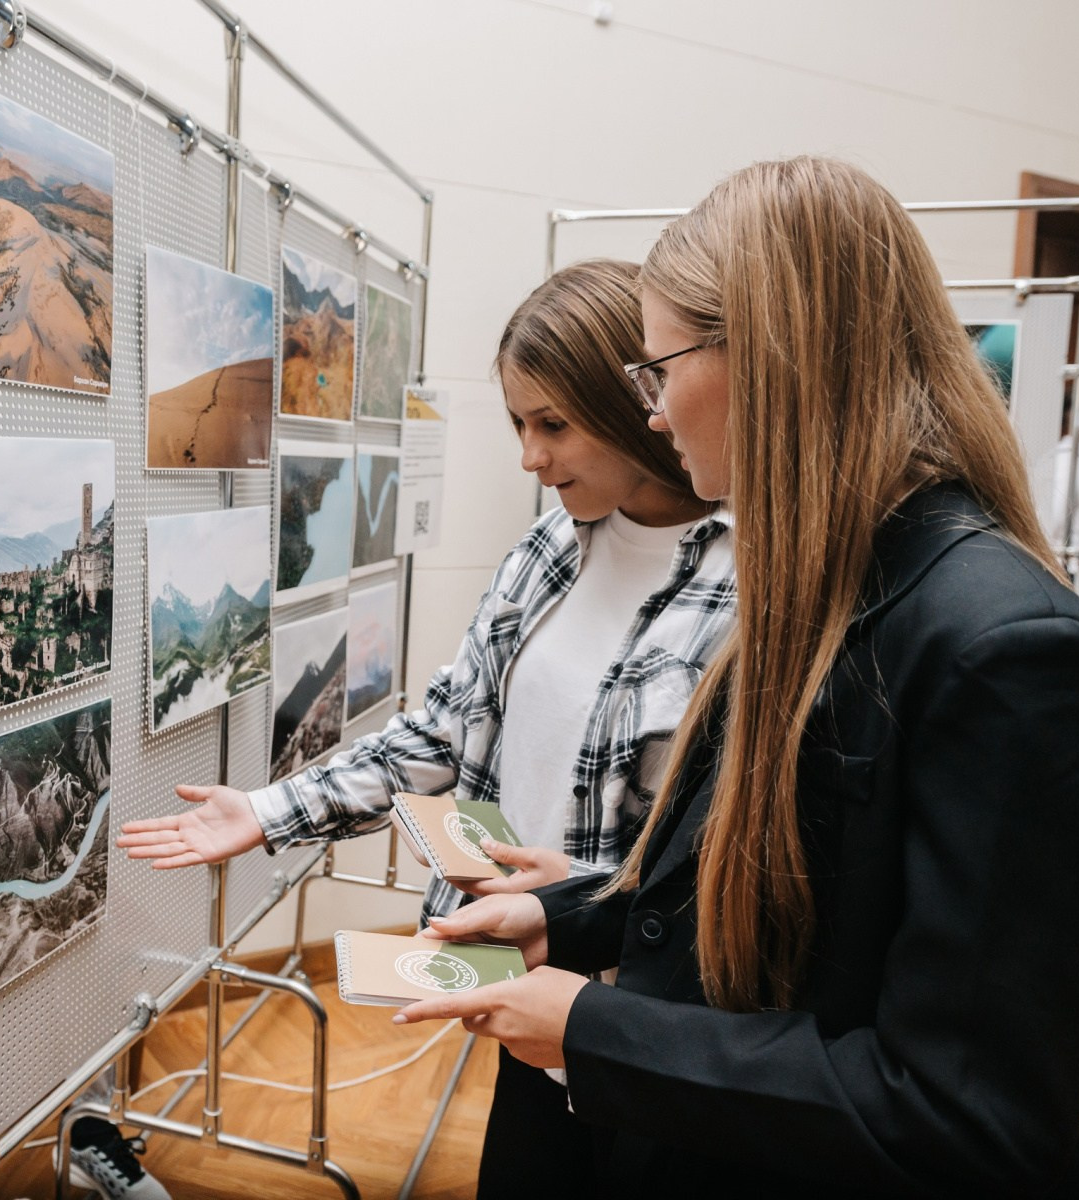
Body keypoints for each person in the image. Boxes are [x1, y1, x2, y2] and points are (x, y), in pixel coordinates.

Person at [398, 156, 1079, 1198]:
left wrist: (592, 1027)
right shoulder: (826, 582)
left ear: (769, 359)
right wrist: (570, 919)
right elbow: (791, 882)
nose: (653, 413)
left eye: (656, 370)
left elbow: (967, 1110)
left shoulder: (1017, 658)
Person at [116, 258, 739, 1197]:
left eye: (553, 425)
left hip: (648, 1025)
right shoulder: (545, 553)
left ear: (635, 403)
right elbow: (444, 729)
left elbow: (740, 854)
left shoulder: (754, 587)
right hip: (521, 993)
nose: (529, 457)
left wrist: (592, 905)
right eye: (517, 426)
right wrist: (270, 809)